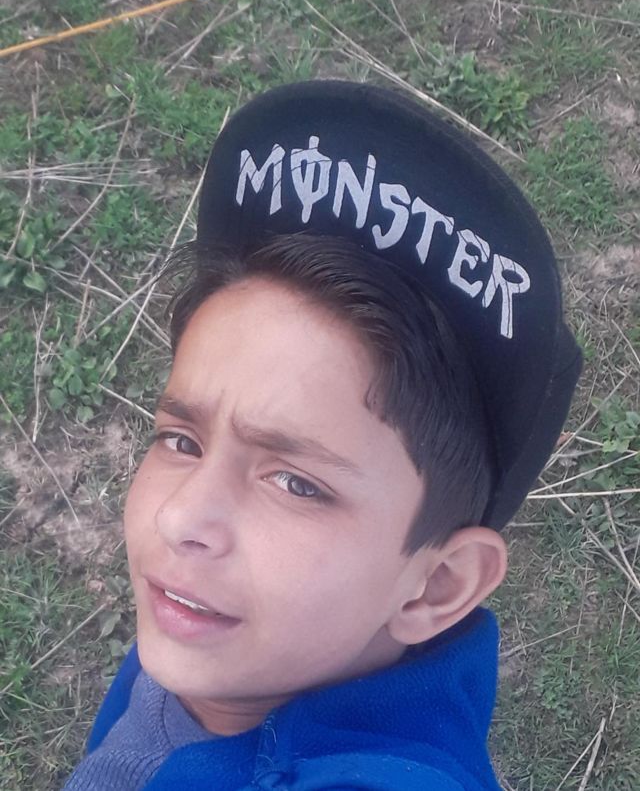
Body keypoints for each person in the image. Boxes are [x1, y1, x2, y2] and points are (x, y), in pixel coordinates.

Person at [63, 80, 582, 790]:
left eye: (296, 483)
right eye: (182, 440)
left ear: (435, 584)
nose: (180, 517)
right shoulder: (225, 640)